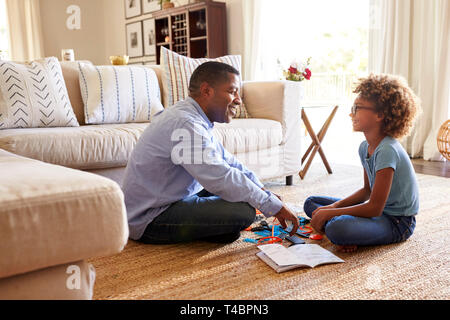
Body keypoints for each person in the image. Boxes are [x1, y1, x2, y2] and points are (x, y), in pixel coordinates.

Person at [122, 61, 299, 244]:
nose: (239, 99)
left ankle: (212, 228)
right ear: (207, 91)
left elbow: (228, 162)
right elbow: (221, 177)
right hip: (151, 218)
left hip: (172, 197)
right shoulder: (185, 124)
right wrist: (274, 207)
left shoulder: (193, 117)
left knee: (243, 195)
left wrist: (261, 189)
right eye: (232, 91)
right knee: (243, 211)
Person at [303, 73, 420, 252]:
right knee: (312, 203)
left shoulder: (387, 150)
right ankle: (353, 230)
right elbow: (367, 191)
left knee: (336, 227)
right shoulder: (365, 147)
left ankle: (348, 230)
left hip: (397, 222)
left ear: (380, 114)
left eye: (357, 108)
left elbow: (374, 207)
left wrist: (332, 213)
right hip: (378, 214)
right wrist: (333, 207)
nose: (351, 113)